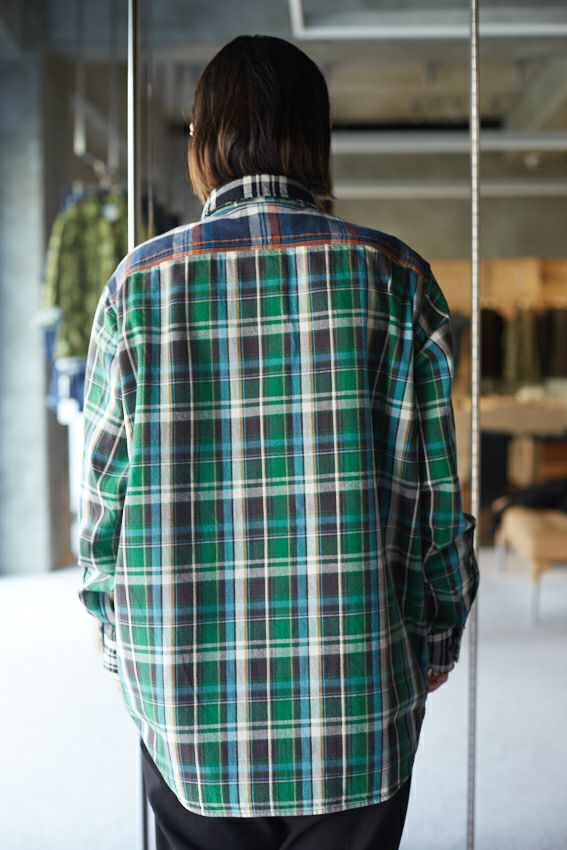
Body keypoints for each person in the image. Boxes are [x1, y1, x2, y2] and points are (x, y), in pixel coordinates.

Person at [77, 33, 480, 850]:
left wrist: (114, 631)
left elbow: (101, 501)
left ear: (201, 142)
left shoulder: (136, 287)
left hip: (186, 699)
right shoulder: (397, 278)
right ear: (316, 140)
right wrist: (439, 631)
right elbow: (434, 499)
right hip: (357, 696)